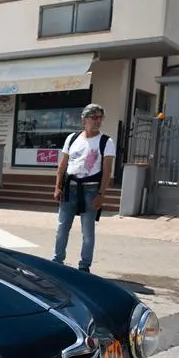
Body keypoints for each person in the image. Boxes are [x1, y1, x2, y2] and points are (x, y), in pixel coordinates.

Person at [52, 103, 115, 273]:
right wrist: (58, 186)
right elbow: (63, 165)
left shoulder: (106, 141)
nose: (98, 121)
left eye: (100, 118)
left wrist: (101, 194)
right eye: (94, 117)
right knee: (62, 227)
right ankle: (57, 261)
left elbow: (107, 171)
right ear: (84, 119)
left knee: (88, 231)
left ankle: (84, 266)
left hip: (91, 189)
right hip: (70, 188)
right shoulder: (72, 138)